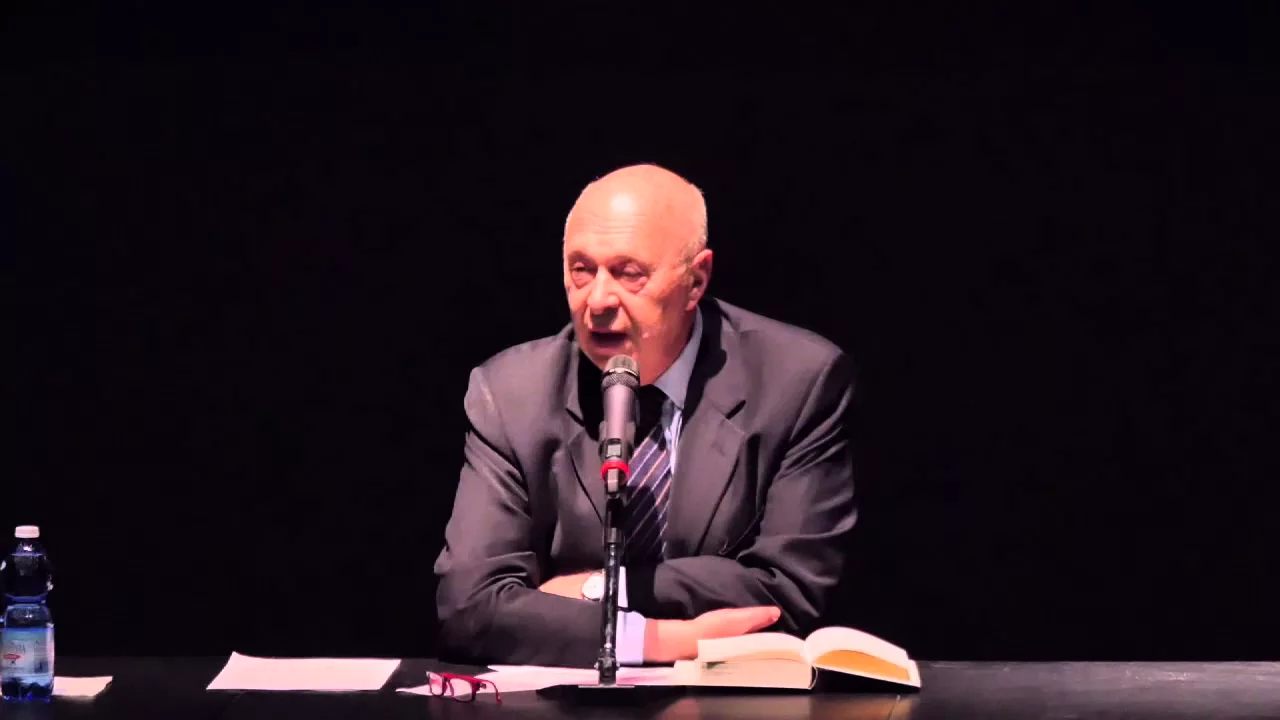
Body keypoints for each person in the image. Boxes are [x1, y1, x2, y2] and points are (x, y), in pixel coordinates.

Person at [434, 163, 858, 667]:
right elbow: (470, 607)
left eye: (628, 273)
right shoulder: (510, 394)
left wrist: (599, 587)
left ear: (696, 280)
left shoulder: (796, 380)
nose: (598, 300)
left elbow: (789, 585)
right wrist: (652, 640)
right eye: (581, 269)